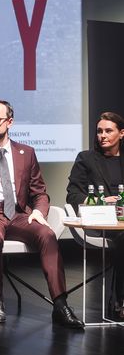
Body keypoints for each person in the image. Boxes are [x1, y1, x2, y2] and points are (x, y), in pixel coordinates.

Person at [0, 99, 83, 328]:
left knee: (47, 234)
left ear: (9, 122)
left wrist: (39, 212)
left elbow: (39, 192)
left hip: (20, 214)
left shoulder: (26, 153)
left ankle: (60, 304)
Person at [66, 111, 124, 318]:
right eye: (99, 131)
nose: (102, 136)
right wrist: (100, 201)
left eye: (108, 131)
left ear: (121, 133)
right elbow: (73, 194)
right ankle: (121, 299)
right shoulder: (86, 159)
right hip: (102, 222)